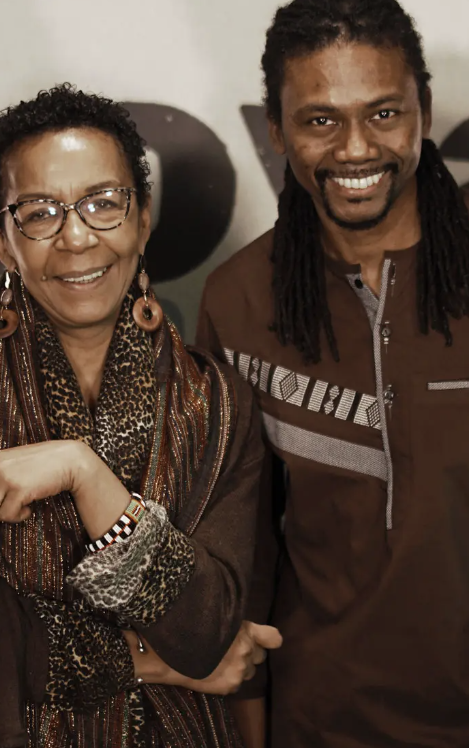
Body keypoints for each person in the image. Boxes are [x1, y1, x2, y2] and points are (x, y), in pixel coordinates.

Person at [0, 84, 279, 748]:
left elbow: (208, 629)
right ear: (2, 240)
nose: (77, 237)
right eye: (40, 213)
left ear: (142, 219)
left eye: (103, 203)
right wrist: (151, 661)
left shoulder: (217, 402)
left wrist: (84, 474)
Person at [196, 1, 469, 746]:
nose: (355, 148)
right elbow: (241, 556)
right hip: (320, 722)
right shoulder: (239, 299)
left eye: (383, 113)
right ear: (276, 129)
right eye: (320, 120)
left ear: (423, 110)